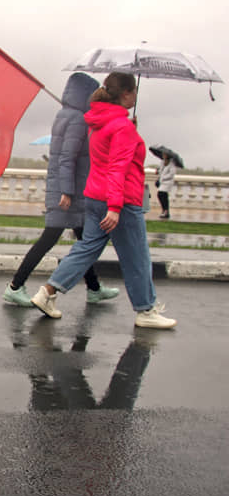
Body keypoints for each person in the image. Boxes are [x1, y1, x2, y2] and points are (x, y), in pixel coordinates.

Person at [30, 72, 177, 329]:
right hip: (120, 200)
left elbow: (106, 159)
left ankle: (47, 293)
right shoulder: (121, 127)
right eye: (134, 93)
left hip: (95, 196)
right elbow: (118, 167)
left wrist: (131, 129)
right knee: (137, 256)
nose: (136, 97)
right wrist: (115, 207)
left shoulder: (98, 121)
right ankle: (146, 310)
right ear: (127, 94)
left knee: (86, 248)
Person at [3, 72, 119, 307]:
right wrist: (66, 191)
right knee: (52, 240)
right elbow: (67, 158)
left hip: (71, 191)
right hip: (68, 193)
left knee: (84, 242)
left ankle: (94, 288)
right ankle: (15, 286)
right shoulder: (76, 119)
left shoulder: (70, 116)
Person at [156, 153, 177, 219]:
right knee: (161, 195)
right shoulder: (162, 162)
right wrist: (158, 171)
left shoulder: (172, 164)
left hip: (168, 182)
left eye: (165, 154)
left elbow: (171, 174)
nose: (163, 155)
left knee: (162, 194)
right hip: (162, 182)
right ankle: (164, 210)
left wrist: (163, 177)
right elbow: (160, 171)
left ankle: (166, 211)